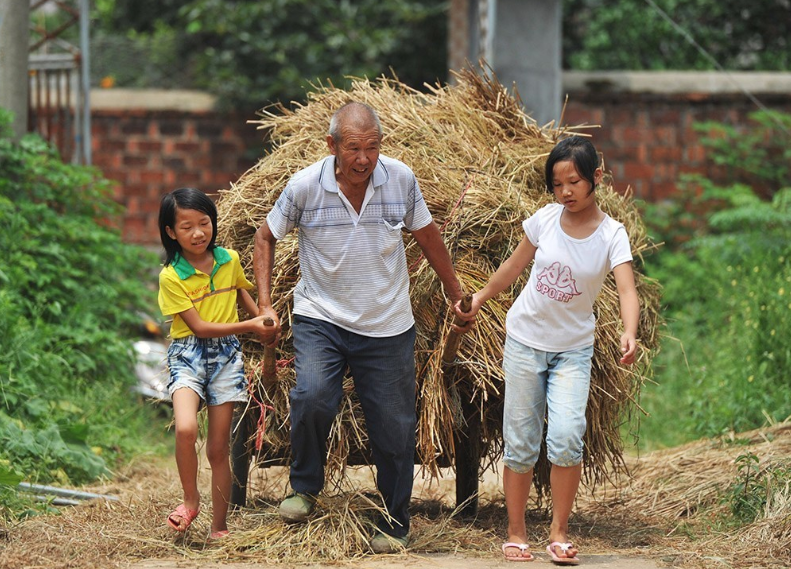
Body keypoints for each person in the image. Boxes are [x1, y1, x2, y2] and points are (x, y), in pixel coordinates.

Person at [253, 101, 466, 553]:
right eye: (353, 148)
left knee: (394, 424)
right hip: (321, 317)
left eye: (372, 147)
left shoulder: (401, 180)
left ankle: (394, 520)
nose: (364, 159)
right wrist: (267, 303)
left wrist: (454, 291)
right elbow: (265, 235)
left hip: (387, 323)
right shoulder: (305, 186)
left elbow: (427, 235)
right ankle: (304, 487)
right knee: (311, 396)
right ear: (332, 145)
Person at [454, 136, 640, 564]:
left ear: (596, 177)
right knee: (520, 441)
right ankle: (516, 533)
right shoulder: (544, 220)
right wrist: (480, 297)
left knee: (566, 437)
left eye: (573, 182)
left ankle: (559, 532)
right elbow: (512, 268)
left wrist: (630, 331)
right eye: (557, 185)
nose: (565, 193)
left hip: (573, 349)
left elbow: (626, 288)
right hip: (524, 342)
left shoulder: (613, 234)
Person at [157, 187, 276, 539]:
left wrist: (264, 320)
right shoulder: (171, 276)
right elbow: (199, 327)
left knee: (219, 448)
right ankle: (190, 502)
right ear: (170, 232)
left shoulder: (229, 259)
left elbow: (242, 293)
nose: (198, 233)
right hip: (188, 355)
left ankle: (219, 528)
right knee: (185, 429)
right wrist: (250, 326)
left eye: (204, 223)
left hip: (226, 358)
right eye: (187, 227)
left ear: (213, 223)